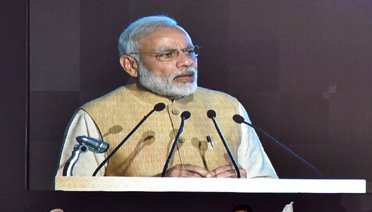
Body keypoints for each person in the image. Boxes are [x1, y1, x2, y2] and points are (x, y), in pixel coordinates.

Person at [57, 15, 277, 179]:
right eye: (167, 54)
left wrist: (242, 181)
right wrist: (158, 185)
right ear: (130, 65)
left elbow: (267, 182)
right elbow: (77, 192)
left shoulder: (228, 108)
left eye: (190, 51)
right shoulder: (96, 114)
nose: (187, 62)